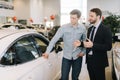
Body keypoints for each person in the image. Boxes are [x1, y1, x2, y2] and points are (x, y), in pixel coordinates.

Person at [42, 9, 86, 80]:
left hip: (78, 56)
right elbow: (53, 40)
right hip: (66, 57)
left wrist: (83, 52)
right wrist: (47, 52)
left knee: (75, 77)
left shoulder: (82, 28)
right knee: (64, 77)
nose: (71, 20)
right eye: (70, 17)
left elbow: (84, 41)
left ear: (78, 18)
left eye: (74, 18)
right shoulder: (63, 28)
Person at [74, 8, 112, 80]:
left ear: (98, 17)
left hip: (99, 62)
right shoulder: (90, 29)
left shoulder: (106, 29)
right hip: (89, 61)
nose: (89, 18)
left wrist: (93, 45)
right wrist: (81, 44)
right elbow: (88, 43)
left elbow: (108, 46)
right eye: (89, 16)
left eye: (92, 16)